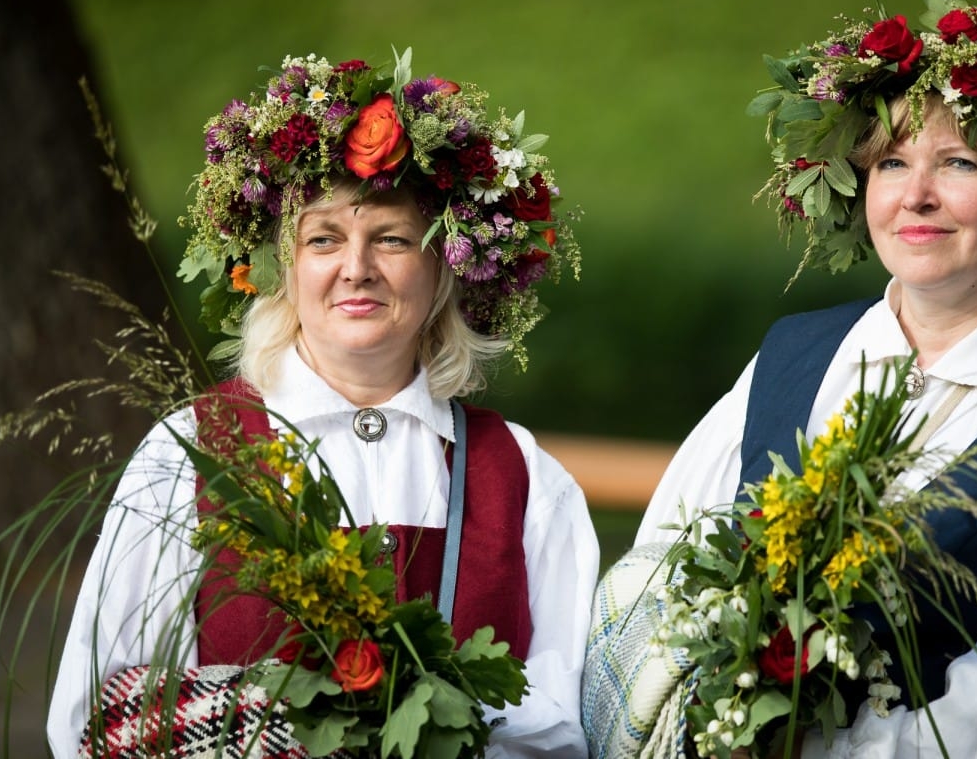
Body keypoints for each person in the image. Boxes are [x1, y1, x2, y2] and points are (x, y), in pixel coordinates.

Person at [592, 0, 977, 758]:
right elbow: (657, 582)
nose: (915, 196)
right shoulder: (792, 356)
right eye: (892, 162)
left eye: (959, 162)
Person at [48, 49, 598, 758]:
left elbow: (565, 731)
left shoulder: (519, 473)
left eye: (392, 239)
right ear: (285, 267)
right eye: (324, 239)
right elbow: (92, 716)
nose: (356, 268)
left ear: (443, 268)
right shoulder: (194, 451)